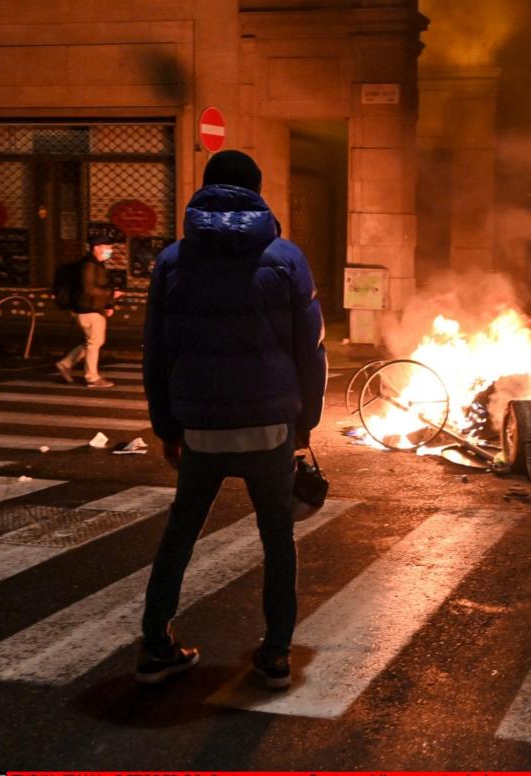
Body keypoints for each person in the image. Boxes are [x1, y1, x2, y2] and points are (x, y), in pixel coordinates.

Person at [137, 150, 327, 689]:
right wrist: (304, 426)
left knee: (180, 534)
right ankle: (274, 653)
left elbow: (156, 351)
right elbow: (310, 349)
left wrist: (166, 428)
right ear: (259, 192)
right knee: (277, 537)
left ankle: (155, 646)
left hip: (198, 426)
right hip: (270, 427)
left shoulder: (173, 260)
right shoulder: (286, 257)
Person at [55, 235, 123, 388]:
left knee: (94, 341)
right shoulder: (88, 265)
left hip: (93, 308)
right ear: (97, 248)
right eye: (108, 247)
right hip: (88, 309)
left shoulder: (96, 264)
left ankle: (65, 363)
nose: (110, 250)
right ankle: (92, 378)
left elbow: (100, 286)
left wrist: (109, 304)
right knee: (94, 342)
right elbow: (88, 289)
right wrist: (111, 294)